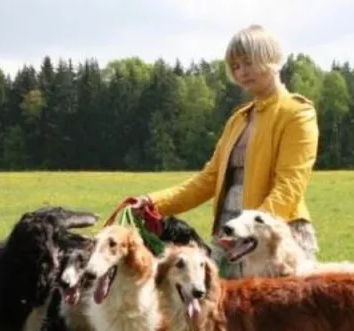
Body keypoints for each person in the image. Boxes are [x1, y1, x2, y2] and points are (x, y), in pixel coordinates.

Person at [132, 24, 321, 277]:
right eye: (235, 66)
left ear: (270, 58)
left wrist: (250, 230)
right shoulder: (237, 120)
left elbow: (289, 186)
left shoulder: (297, 113)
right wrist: (154, 202)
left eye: (247, 62)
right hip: (231, 235)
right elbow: (207, 180)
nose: (241, 71)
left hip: (274, 240)